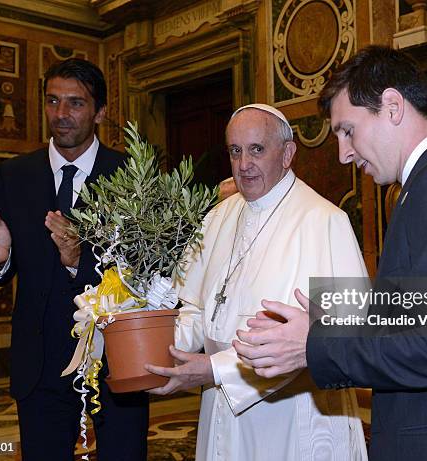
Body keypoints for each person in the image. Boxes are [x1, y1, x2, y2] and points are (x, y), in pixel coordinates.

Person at [234, 46, 427, 460]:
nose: (344, 153)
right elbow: (422, 309)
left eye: (348, 130)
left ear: (393, 107)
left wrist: (315, 343)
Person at [144, 103, 369, 461]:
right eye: (235, 151)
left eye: (257, 150)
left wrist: (213, 369)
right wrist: (160, 350)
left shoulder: (326, 221)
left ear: (288, 154)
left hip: (293, 413)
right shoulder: (217, 217)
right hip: (220, 402)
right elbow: (198, 310)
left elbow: (341, 337)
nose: (243, 164)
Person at [0, 58, 149, 461]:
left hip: (116, 360)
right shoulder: (13, 175)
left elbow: (148, 271)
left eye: (75, 103)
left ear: (100, 111)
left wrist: (78, 261)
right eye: (52, 101)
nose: (61, 115)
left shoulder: (131, 175)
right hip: (39, 366)